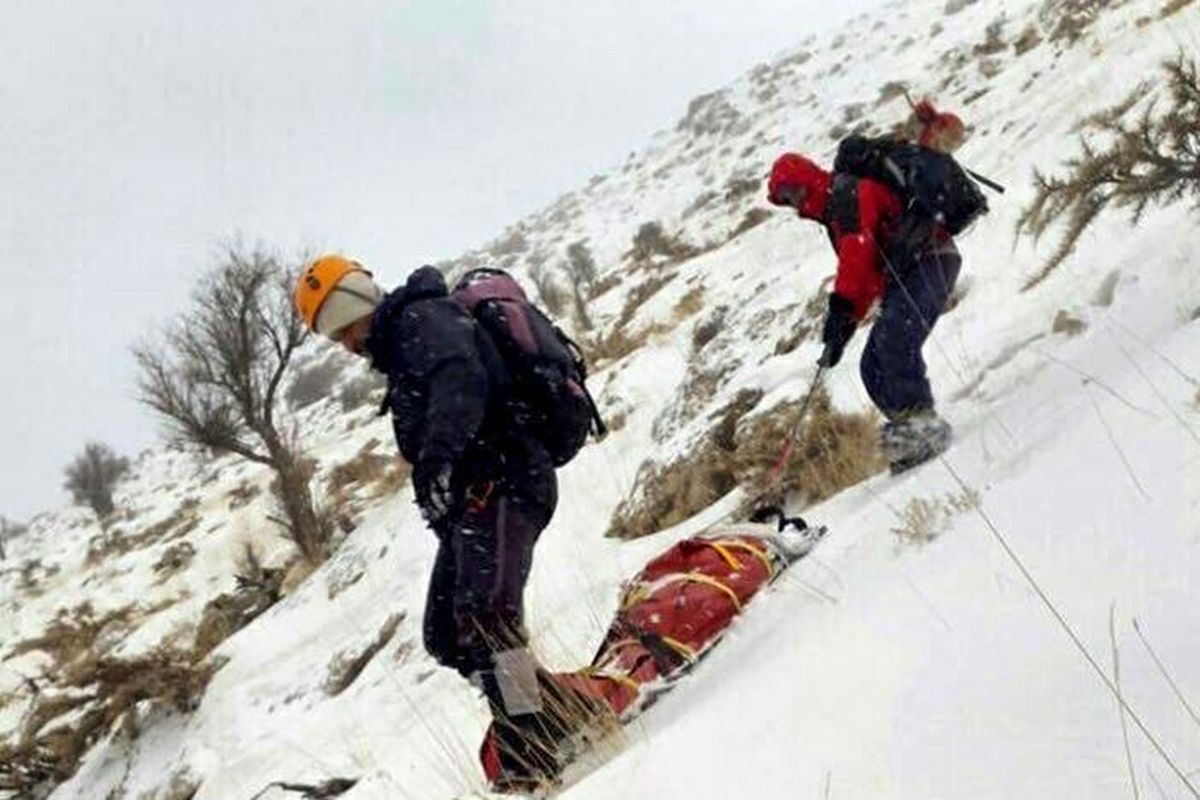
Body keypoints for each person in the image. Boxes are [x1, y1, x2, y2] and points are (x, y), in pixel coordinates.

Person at [294, 255, 606, 791]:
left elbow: (462, 379)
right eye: (331, 334)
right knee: (447, 634)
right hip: (476, 499)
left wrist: (437, 458)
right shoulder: (402, 343)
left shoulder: (422, 321)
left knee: (489, 619)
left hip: (508, 480)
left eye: (341, 324)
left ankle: (530, 750)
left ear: (360, 303)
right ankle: (556, 711)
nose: (343, 342)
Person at [766, 150, 962, 473]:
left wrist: (840, 309)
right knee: (871, 366)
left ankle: (923, 427)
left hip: (930, 258)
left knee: (894, 339)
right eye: (786, 199)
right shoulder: (835, 211)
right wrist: (844, 329)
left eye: (793, 190)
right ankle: (909, 431)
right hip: (907, 273)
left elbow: (856, 257)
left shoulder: (845, 194)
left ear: (807, 178)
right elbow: (868, 276)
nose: (794, 202)